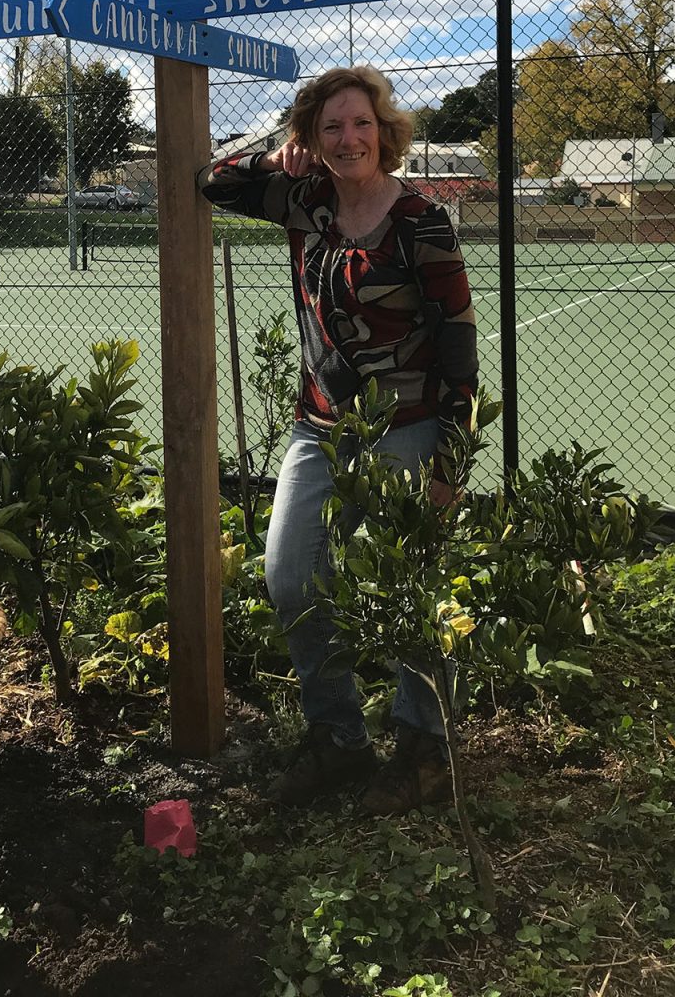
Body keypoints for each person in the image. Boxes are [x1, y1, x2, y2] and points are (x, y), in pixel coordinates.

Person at [199, 65, 479, 812]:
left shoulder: (420, 219)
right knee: (291, 574)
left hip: (408, 428)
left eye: (360, 124)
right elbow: (212, 182)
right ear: (311, 139)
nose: (348, 138)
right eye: (331, 127)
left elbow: (458, 345)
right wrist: (271, 157)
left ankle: (423, 750)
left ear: (383, 132)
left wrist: (450, 460)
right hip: (319, 424)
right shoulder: (304, 200)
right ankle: (338, 740)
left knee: (398, 582)